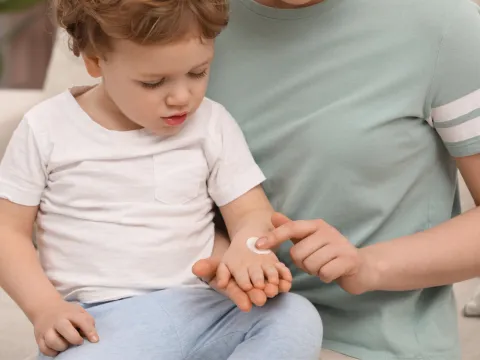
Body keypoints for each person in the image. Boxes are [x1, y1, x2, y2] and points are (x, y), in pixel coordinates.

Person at [0, 1, 323, 359]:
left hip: (208, 308)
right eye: (153, 82)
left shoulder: (212, 124)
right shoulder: (46, 128)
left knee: (295, 316)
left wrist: (247, 249)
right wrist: (44, 308)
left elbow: (250, 211)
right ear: (95, 61)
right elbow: (7, 231)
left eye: (198, 73)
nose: (182, 97)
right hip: (103, 325)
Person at [192, 0, 480, 359]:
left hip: (363, 345)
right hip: (201, 323)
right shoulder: (188, 14)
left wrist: (368, 265)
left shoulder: (442, 22)